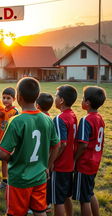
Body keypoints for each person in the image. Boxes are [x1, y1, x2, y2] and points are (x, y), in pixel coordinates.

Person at [0, 77, 60, 216]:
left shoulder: (16, 121)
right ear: (37, 96)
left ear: (18, 96)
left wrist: (15, 158)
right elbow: (57, 145)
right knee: (40, 211)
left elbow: (3, 154)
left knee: (15, 213)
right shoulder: (47, 119)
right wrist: (49, 166)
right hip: (40, 176)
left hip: (19, 178)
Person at [73, 86, 106, 216]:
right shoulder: (100, 118)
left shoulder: (86, 119)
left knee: (84, 199)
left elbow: (83, 145)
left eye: (82, 99)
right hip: (94, 162)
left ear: (87, 103)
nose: (81, 101)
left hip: (84, 164)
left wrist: (75, 160)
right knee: (89, 193)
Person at [47, 85, 78, 216]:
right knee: (65, 197)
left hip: (60, 166)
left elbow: (61, 144)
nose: (54, 98)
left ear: (61, 100)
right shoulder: (73, 114)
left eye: (56, 96)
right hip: (69, 164)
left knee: (57, 201)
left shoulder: (60, 118)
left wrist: (51, 163)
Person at [0, 87, 18, 190]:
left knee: (12, 162)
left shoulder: (15, 112)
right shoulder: (3, 111)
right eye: (3, 98)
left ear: (14, 99)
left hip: (11, 143)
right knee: (3, 161)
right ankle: (4, 180)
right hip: (2, 140)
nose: (5, 100)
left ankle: (12, 181)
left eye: (8, 98)